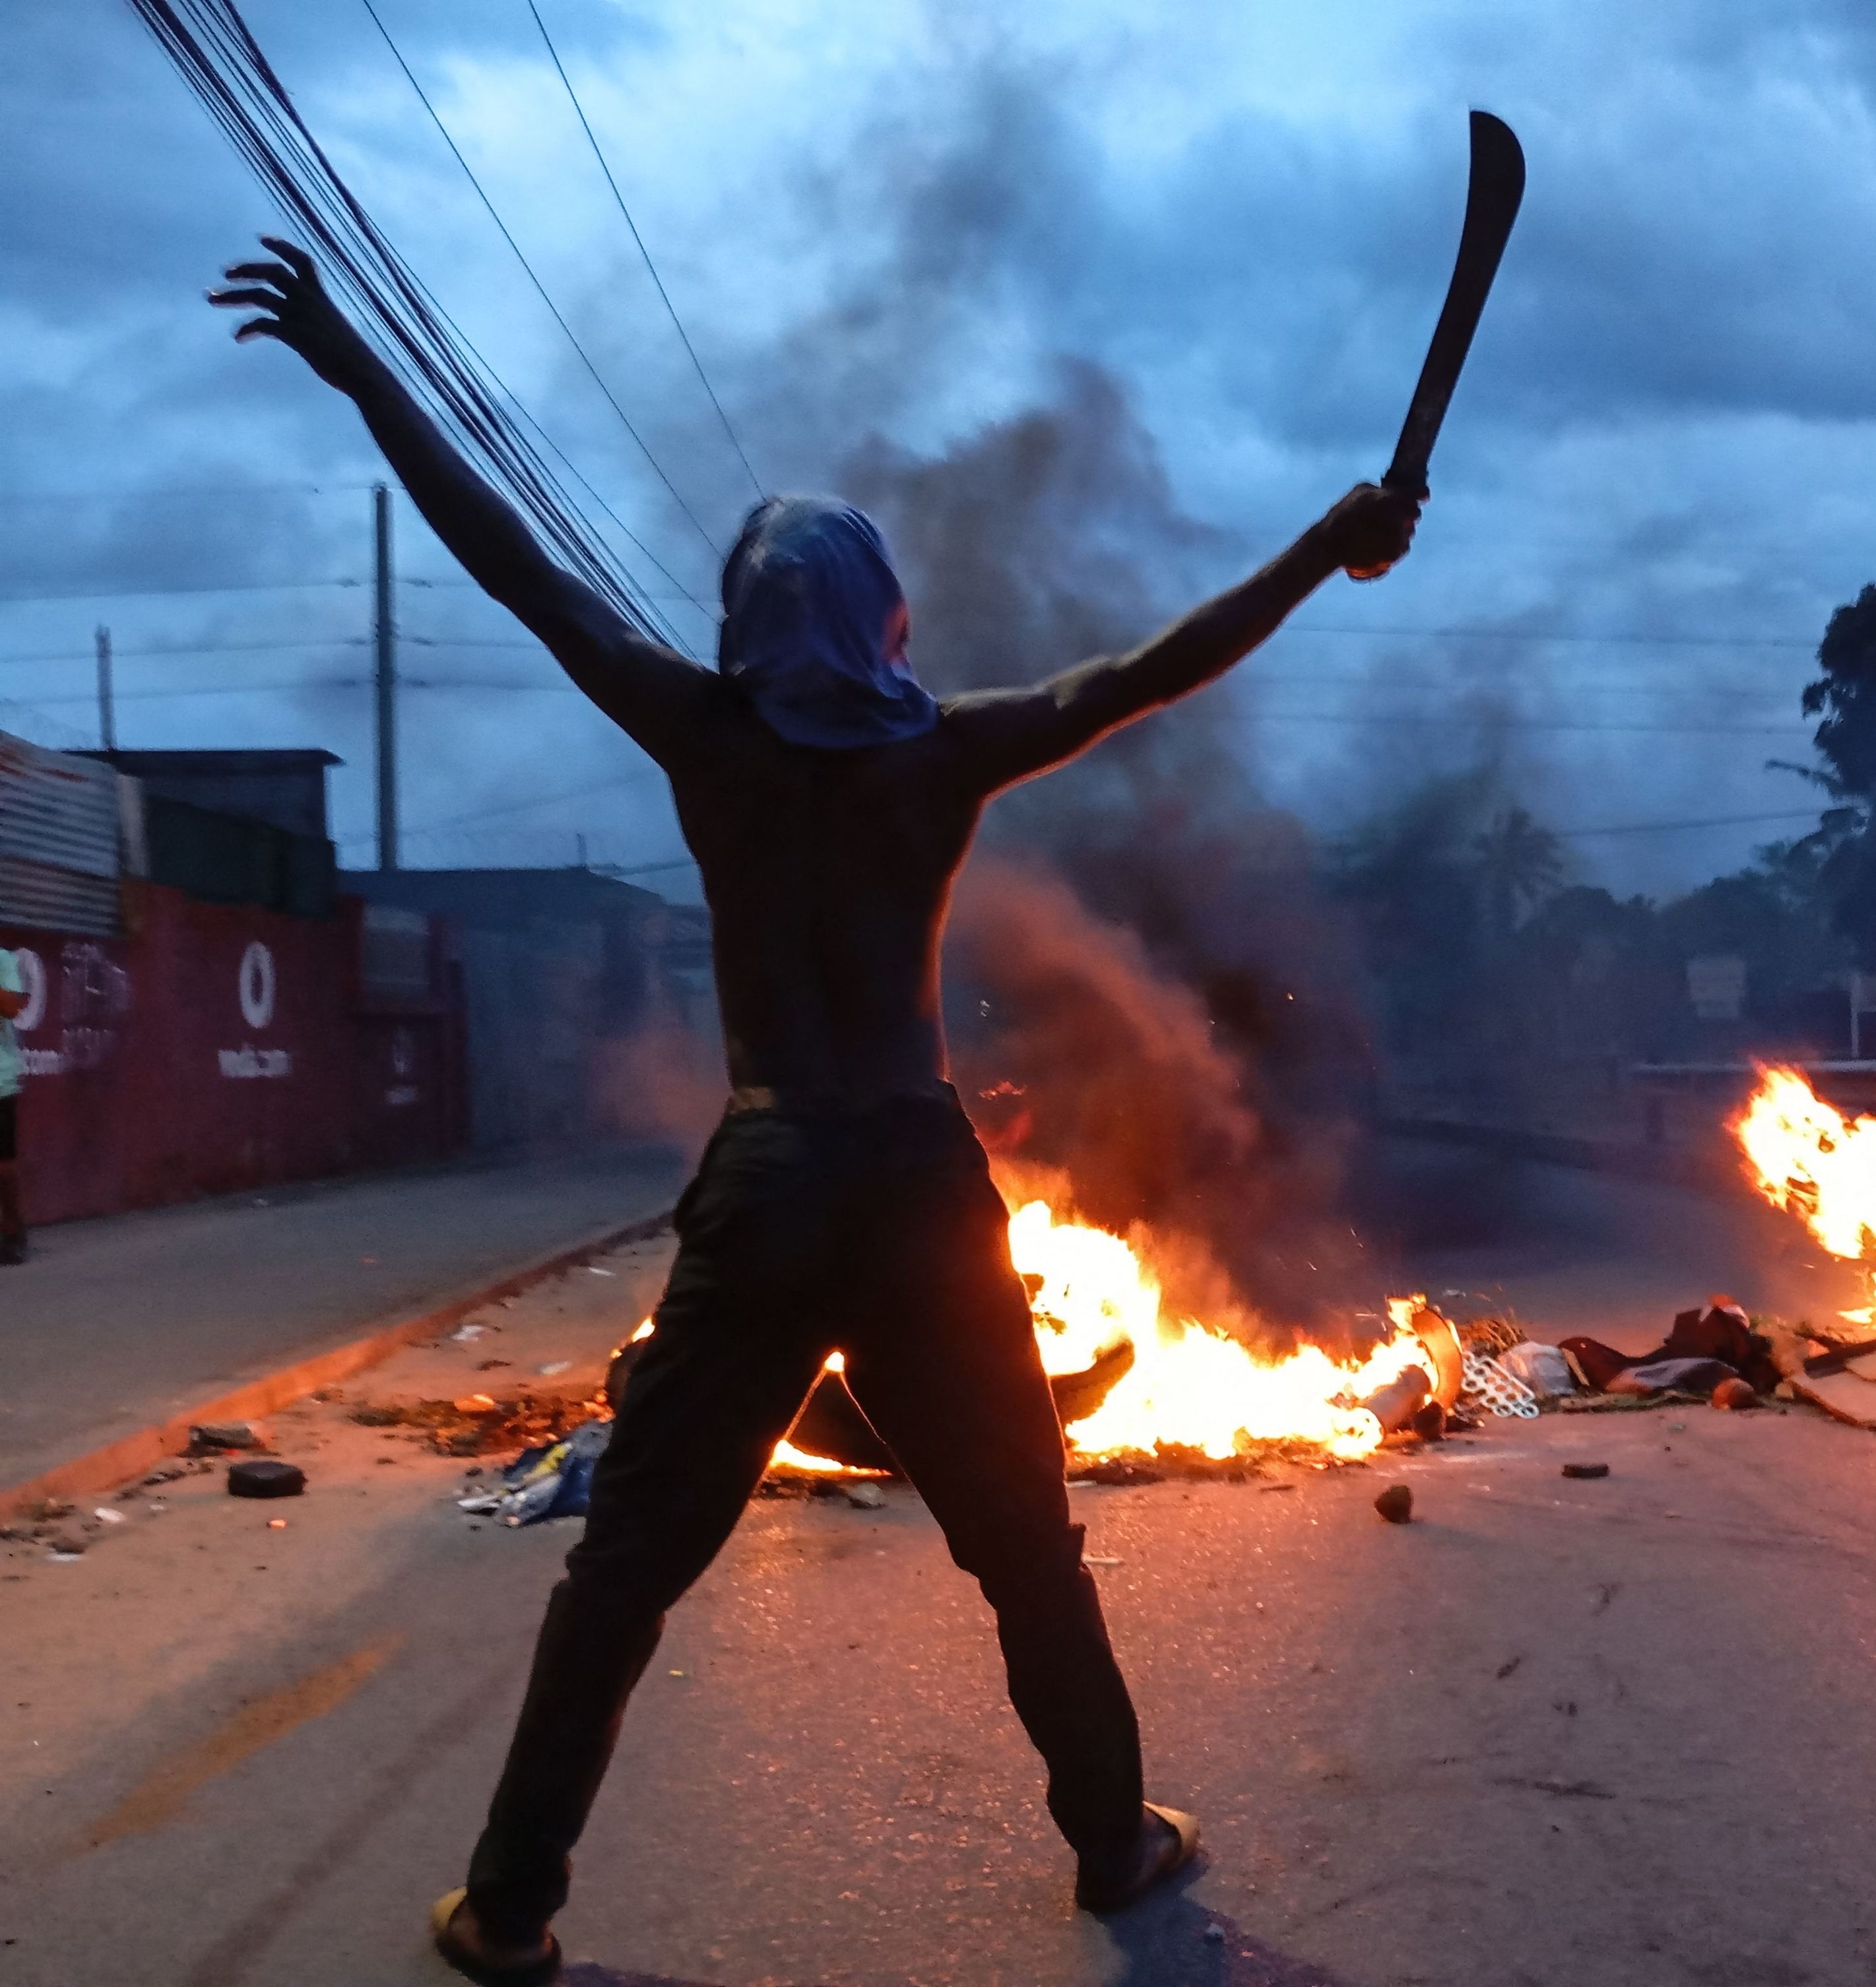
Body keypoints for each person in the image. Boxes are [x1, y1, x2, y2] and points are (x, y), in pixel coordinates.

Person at [209, 237, 1421, 1987]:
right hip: (922, 1186)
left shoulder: (704, 738)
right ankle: (1113, 1845)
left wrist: (350, 364)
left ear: (743, 624)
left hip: (773, 1181)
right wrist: (1327, 542)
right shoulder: (943, 758)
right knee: (1026, 1551)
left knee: (625, 1571)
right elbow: (1154, 670)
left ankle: (508, 1908)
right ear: (885, 625)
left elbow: (516, 566)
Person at [0, 944, 26, 1265]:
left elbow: (12, 1008)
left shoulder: (4, 960)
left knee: (4, 1167)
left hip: (0, 1079)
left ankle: (12, 1231)